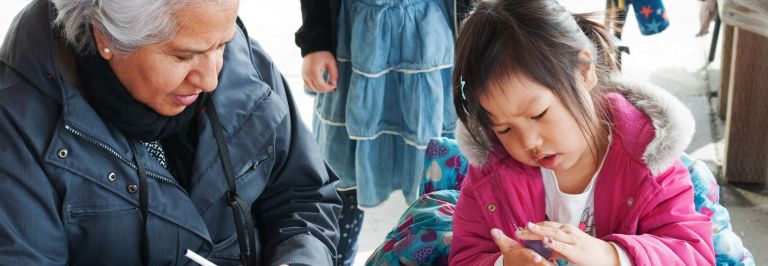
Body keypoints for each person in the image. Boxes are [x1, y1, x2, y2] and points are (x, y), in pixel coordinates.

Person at [0, 0, 340, 265]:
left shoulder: (242, 62)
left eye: (222, 44)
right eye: (184, 56)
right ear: (106, 37)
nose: (211, 80)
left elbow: (304, 195)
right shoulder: (17, 125)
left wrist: (299, 258)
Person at [448, 0, 716, 265]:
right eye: (504, 129)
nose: (528, 141)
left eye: (538, 114)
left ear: (585, 71)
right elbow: (465, 255)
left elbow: (693, 255)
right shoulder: (493, 167)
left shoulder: (648, 158)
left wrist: (611, 256)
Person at [295, 0, 470, 264]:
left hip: (431, 43)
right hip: (355, 41)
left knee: (439, 178)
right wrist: (315, 41)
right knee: (341, 182)